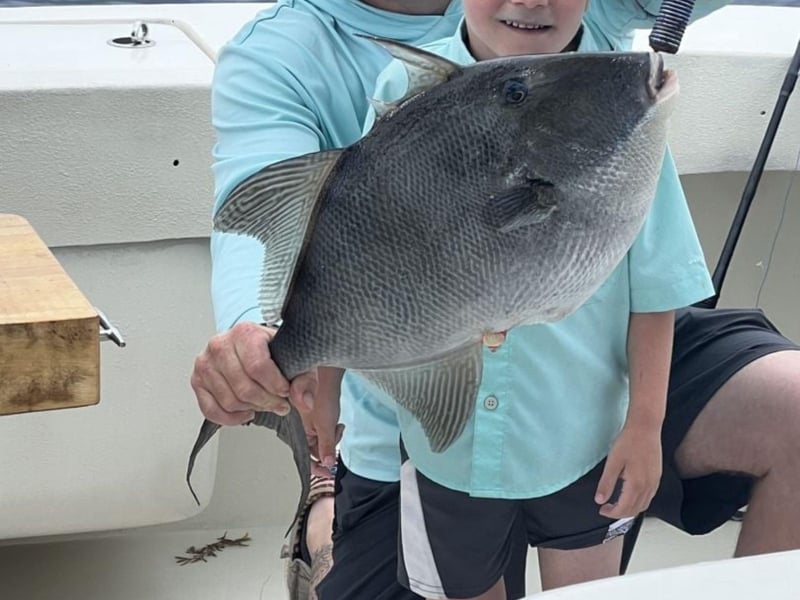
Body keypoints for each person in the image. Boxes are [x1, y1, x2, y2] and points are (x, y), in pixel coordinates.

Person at [191, 0, 800, 598]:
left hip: (590, 383)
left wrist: (645, 423)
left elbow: (656, 278)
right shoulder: (291, 53)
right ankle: (323, 507)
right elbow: (296, 224)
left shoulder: (582, 30)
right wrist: (265, 347)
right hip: (430, 413)